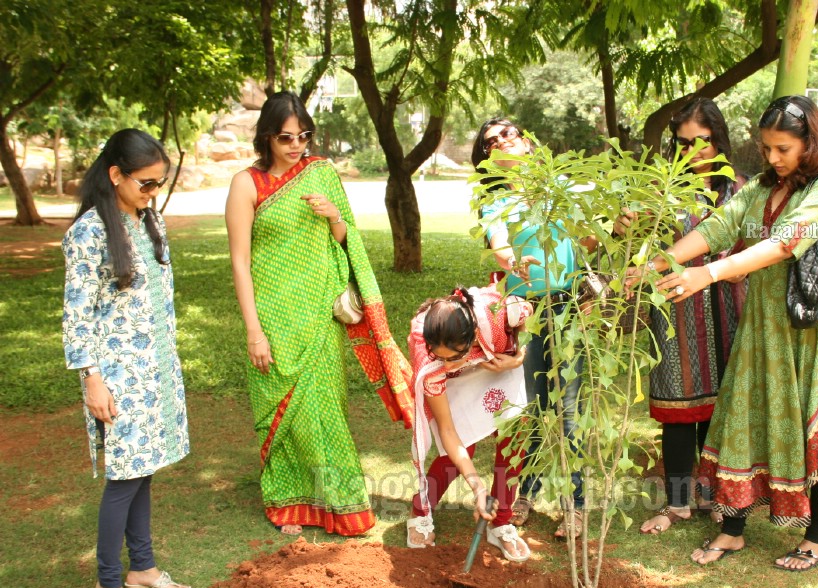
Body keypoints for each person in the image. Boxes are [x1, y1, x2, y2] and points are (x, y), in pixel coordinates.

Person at [641, 95, 818, 570]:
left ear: (812, 141)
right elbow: (718, 227)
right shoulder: (763, 187)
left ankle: (817, 539)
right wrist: (655, 265)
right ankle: (733, 531)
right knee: (742, 420)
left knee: (811, 425)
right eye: (766, 149)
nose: (773, 159)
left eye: (783, 149)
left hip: (806, 333)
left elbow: (783, 243)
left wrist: (711, 274)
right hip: (759, 329)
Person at [225, 91, 412, 536]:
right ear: (267, 137)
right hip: (273, 314)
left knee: (325, 406)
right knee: (285, 411)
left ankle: (340, 501)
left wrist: (334, 217)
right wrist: (254, 330)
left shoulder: (322, 173)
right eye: (285, 137)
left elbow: (347, 239)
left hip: (319, 313)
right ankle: (290, 500)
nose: (296, 145)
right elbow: (239, 261)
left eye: (303, 136)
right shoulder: (246, 184)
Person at [63, 129, 192, 588]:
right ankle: (107, 585)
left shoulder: (148, 219)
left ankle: (143, 568)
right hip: (116, 374)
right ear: (115, 174)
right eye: (145, 183)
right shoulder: (89, 233)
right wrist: (92, 379)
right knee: (123, 478)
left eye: (159, 184)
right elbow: (77, 316)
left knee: (144, 471)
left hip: (155, 366)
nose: (152, 192)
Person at [470, 117, 592, 540]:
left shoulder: (561, 187)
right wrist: (514, 263)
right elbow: (501, 244)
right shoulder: (495, 202)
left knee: (570, 409)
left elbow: (589, 237)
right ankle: (527, 493)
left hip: (570, 306)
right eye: (492, 140)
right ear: (488, 156)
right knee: (532, 406)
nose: (503, 140)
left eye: (509, 133)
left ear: (525, 141)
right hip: (525, 312)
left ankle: (576, 506)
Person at [640, 98, 747, 535]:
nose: (690, 151)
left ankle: (722, 498)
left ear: (717, 138)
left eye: (699, 141)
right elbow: (645, 247)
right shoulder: (662, 191)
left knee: (721, 410)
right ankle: (679, 503)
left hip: (726, 308)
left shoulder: (738, 190)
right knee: (677, 410)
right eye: (681, 143)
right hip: (674, 315)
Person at [406, 286, 532, 561]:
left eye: (453, 356)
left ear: (474, 336)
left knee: (514, 434)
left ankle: (502, 522)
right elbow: (449, 432)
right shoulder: (431, 362)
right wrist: (477, 488)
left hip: (495, 364)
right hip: (453, 383)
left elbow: (531, 317)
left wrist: (518, 357)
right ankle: (421, 510)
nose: (447, 363)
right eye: (440, 356)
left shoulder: (500, 313)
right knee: (461, 449)